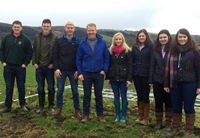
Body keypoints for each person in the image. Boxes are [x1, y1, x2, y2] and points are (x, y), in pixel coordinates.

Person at [164, 28, 200, 138]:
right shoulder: (172, 51)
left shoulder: (194, 51)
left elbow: (199, 70)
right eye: (180, 37)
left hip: (190, 84)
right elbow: (167, 68)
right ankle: (176, 129)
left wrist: (199, 86)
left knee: (189, 107)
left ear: (188, 38)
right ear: (177, 38)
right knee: (176, 107)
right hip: (174, 84)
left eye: (184, 37)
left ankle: (188, 131)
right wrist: (166, 84)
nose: (182, 39)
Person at [76, 23, 110, 123]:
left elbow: (107, 57)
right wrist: (80, 72)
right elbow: (78, 58)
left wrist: (104, 69)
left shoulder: (102, 43)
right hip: (86, 73)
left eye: (93, 30)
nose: (91, 32)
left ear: (96, 30)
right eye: (89, 30)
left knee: (98, 94)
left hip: (98, 73)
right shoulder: (82, 43)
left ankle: (100, 115)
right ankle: (86, 115)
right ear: (87, 31)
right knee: (87, 95)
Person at [0, 20, 32, 112]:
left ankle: (22, 105)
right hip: (8, 67)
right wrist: (3, 62)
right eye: (15, 27)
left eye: (18, 27)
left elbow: (29, 53)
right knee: (9, 87)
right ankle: (7, 106)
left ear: (21, 28)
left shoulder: (26, 39)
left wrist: (25, 64)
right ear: (12, 27)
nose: (16, 28)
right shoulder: (6, 38)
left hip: (20, 68)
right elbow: (1, 50)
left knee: (21, 86)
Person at [52, 21, 81, 118]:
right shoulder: (59, 41)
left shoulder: (78, 41)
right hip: (61, 70)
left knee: (75, 91)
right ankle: (59, 108)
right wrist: (56, 69)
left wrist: (78, 70)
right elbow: (55, 55)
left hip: (74, 71)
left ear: (74, 29)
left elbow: (80, 56)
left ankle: (77, 110)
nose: (69, 29)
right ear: (65, 29)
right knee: (60, 90)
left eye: (71, 28)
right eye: (68, 27)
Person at [32, 19, 58, 113]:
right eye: (44, 26)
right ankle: (41, 106)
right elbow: (34, 50)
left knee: (51, 88)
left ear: (50, 27)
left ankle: (51, 106)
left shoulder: (55, 38)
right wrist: (34, 62)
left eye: (47, 26)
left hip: (49, 67)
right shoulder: (37, 37)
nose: (46, 28)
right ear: (42, 26)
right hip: (39, 67)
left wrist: (53, 64)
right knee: (40, 88)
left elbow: (56, 52)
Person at [106, 32, 132, 123]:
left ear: (122, 40)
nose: (118, 41)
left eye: (119, 39)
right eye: (116, 39)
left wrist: (129, 79)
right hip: (113, 78)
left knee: (124, 97)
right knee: (116, 97)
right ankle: (117, 115)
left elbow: (130, 66)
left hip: (124, 78)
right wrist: (108, 77)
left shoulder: (127, 51)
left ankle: (124, 116)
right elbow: (109, 65)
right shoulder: (110, 51)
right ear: (114, 40)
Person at [149, 29, 172, 130]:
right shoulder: (155, 50)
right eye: (161, 37)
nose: (162, 39)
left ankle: (168, 123)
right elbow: (152, 66)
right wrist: (151, 80)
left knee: (168, 102)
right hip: (157, 79)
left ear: (168, 38)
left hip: (169, 80)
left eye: (164, 37)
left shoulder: (173, 49)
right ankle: (158, 122)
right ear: (158, 39)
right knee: (158, 101)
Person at [132, 29, 153, 125]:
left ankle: (146, 118)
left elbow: (152, 62)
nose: (141, 37)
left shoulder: (150, 46)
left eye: (143, 36)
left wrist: (150, 76)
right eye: (139, 36)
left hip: (146, 75)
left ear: (146, 36)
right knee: (139, 95)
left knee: (145, 96)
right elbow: (133, 60)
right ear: (137, 37)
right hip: (136, 74)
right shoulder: (135, 47)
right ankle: (140, 116)